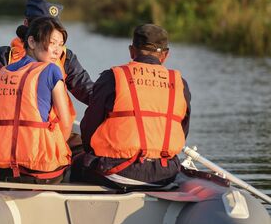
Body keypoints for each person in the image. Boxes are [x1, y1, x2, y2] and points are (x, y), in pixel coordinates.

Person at [75, 24, 191, 190]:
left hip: (118, 171)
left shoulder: (113, 77)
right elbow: (182, 130)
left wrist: (91, 153)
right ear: (165, 55)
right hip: (165, 175)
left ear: (132, 50)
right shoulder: (180, 84)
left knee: (74, 162)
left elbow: (89, 128)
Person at [0, 17, 73, 184]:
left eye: (60, 44)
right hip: (38, 171)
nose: (58, 50)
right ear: (32, 42)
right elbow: (66, 123)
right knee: (77, 156)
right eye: (52, 43)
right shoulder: (51, 70)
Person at [0, 0, 93, 110]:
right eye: (42, 28)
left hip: (52, 130)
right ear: (26, 24)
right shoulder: (5, 55)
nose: (47, 33)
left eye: (52, 28)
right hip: (13, 128)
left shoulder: (64, 57)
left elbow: (89, 93)